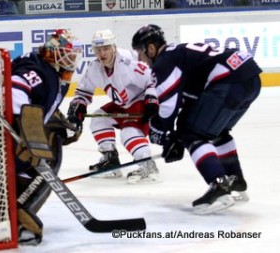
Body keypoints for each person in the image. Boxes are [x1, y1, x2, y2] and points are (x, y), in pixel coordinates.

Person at [131, 24, 262, 215]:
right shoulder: (179, 53)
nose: (140, 58)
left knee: (192, 134)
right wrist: (174, 136)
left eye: (140, 53)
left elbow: (168, 104)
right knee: (215, 131)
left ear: (150, 48)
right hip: (249, 78)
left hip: (229, 82)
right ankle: (235, 178)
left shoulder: (164, 61)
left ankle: (218, 185)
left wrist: (165, 133)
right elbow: (187, 103)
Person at [0, 29, 82, 244]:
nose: (71, 60)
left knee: (34, 161)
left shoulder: (49, 71)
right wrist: (24, 127)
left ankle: (5, 209)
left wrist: (54, 121)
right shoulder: (42, 70)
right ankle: (13, 215)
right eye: (67, 54)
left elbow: (35, 99)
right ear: (52, 53)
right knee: (39, 162)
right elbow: (14, 89)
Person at [67, 29, 161, 184]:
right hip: (123, 104)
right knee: (99, 120)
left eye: (105, 48)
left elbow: (154, 78)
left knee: (128, 132)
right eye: (98, 50)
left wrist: (152, 100)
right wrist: (78, 107)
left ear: (113, 47)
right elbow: (83, 92)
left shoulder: (129, 61)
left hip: (141, 100)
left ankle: (147, 165)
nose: (102, 53)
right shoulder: (95, 67)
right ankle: (111, 160)